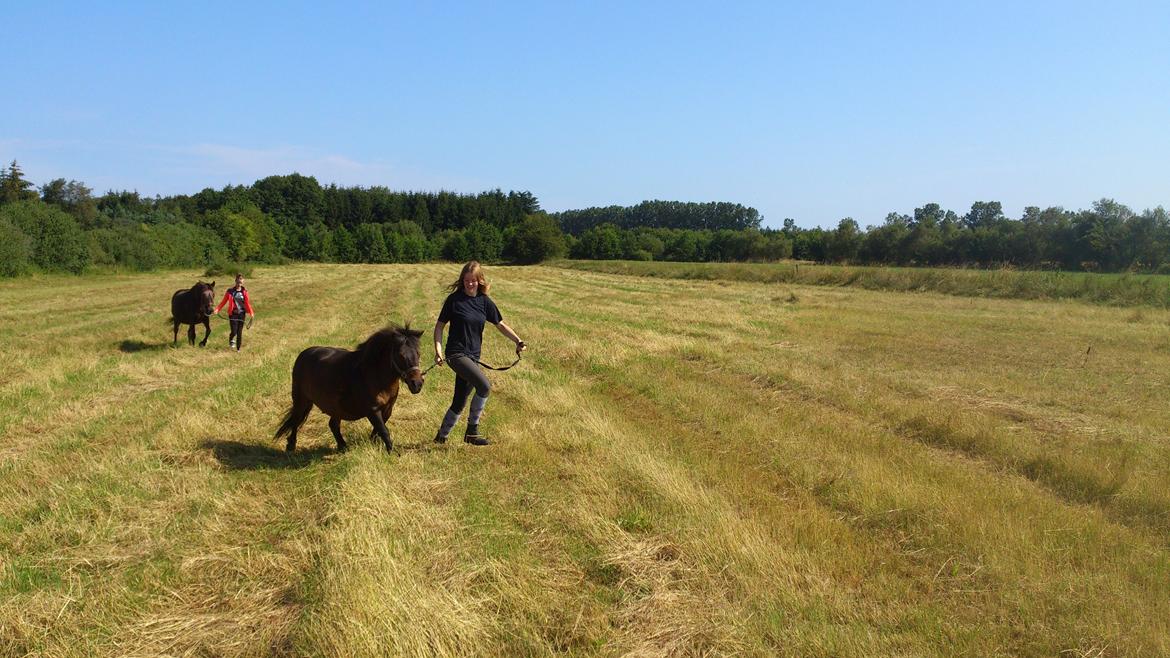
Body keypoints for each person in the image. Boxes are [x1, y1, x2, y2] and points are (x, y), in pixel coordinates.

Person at [432, 261, 525, 446]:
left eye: (473, 280)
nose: (469, 284)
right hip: (456, 354)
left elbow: (500, 324)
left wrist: (518, 340)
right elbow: (439, 327)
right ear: (462, 280)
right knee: (484, 386)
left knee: (459, 401)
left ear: (479, 280)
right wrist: (438, 351)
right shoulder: (454, 300)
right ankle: (471, 432)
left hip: (473, 357)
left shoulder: (484, 302)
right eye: (466, 280)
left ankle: (440, 438)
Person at [214, 273, 255, 351]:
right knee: (234, 331)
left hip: (242, 314)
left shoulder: (245, 292)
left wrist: (251, 313)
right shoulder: (230, 291)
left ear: (243, 281)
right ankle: (231, 339)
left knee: (239, 332)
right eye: (238, 279)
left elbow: (247, 303)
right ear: (235, 280)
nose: (239, 281)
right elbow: (223, 302)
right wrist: (217, 309)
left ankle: (238, 349)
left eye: (241, 279)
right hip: (233, 314)